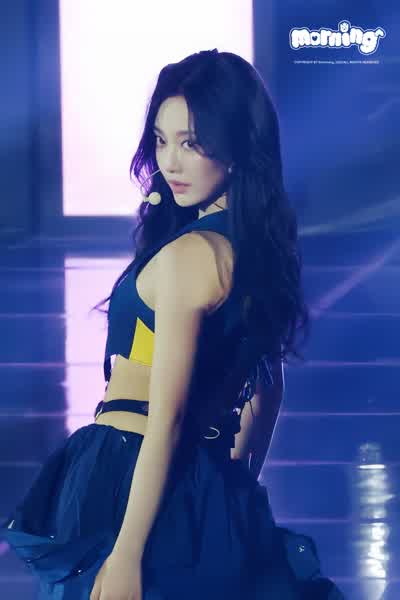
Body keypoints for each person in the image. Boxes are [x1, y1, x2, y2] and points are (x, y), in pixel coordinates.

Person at [0, 49, 345, 599]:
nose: (171, 163)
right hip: (198, 474)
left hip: (127, 468)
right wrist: (230, 486)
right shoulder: (252, 251)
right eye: (161, 141)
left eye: (191, 142)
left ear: (237, 144)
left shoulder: (192, 255)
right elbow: (267, 391)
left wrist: (127, 554)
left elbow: (170, 415)